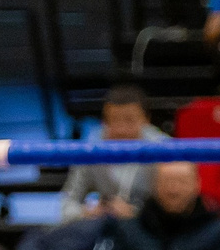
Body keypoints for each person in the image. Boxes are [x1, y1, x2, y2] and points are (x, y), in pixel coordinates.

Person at [57, 83, 169, 222]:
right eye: (114, 120)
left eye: (129, 120)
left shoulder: (164, 149)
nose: (121, 129)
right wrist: (87, 213)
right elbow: (67, 202)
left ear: (146, 120)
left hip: (149, 229)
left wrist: (136, 215)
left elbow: (173, 208)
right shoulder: (91, 149)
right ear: (104, 121)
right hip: (104, 227)